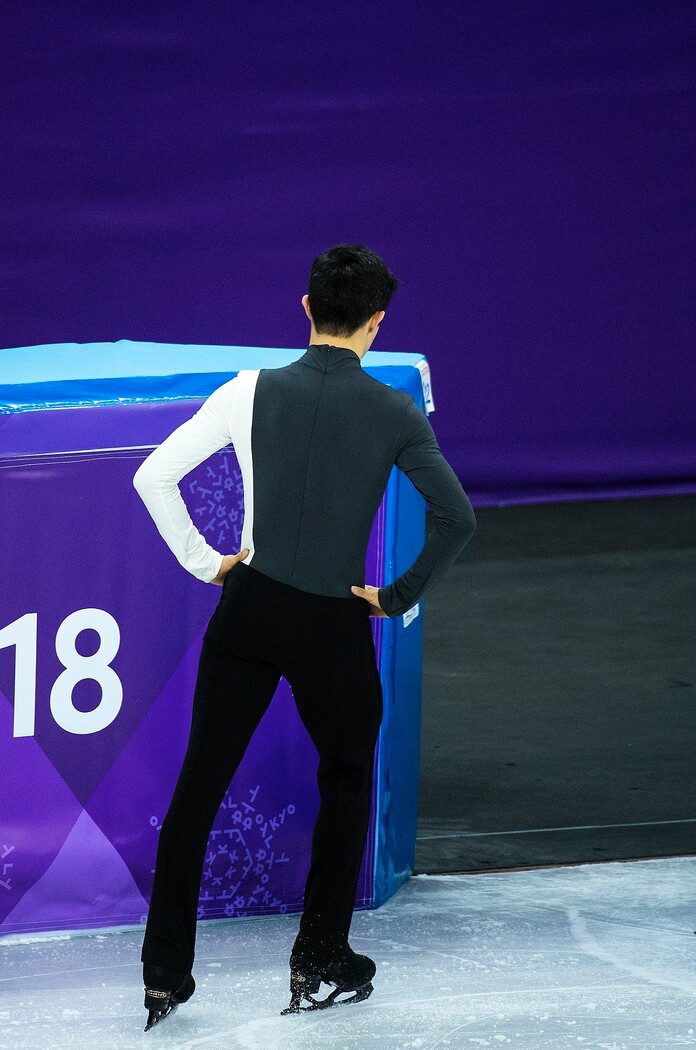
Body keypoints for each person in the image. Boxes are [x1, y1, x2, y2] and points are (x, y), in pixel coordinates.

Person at [132, 243, 476, 1029]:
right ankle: (320, 958)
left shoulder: (248, 390)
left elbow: (153, 474)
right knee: (347, 777)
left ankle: (163, 975)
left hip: (247, 612)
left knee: (197, 789)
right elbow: (458, 518)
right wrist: (394, 597)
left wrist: (206, 562)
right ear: (377, 323)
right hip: (332, 625)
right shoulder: (394, 409)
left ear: (305, 307)